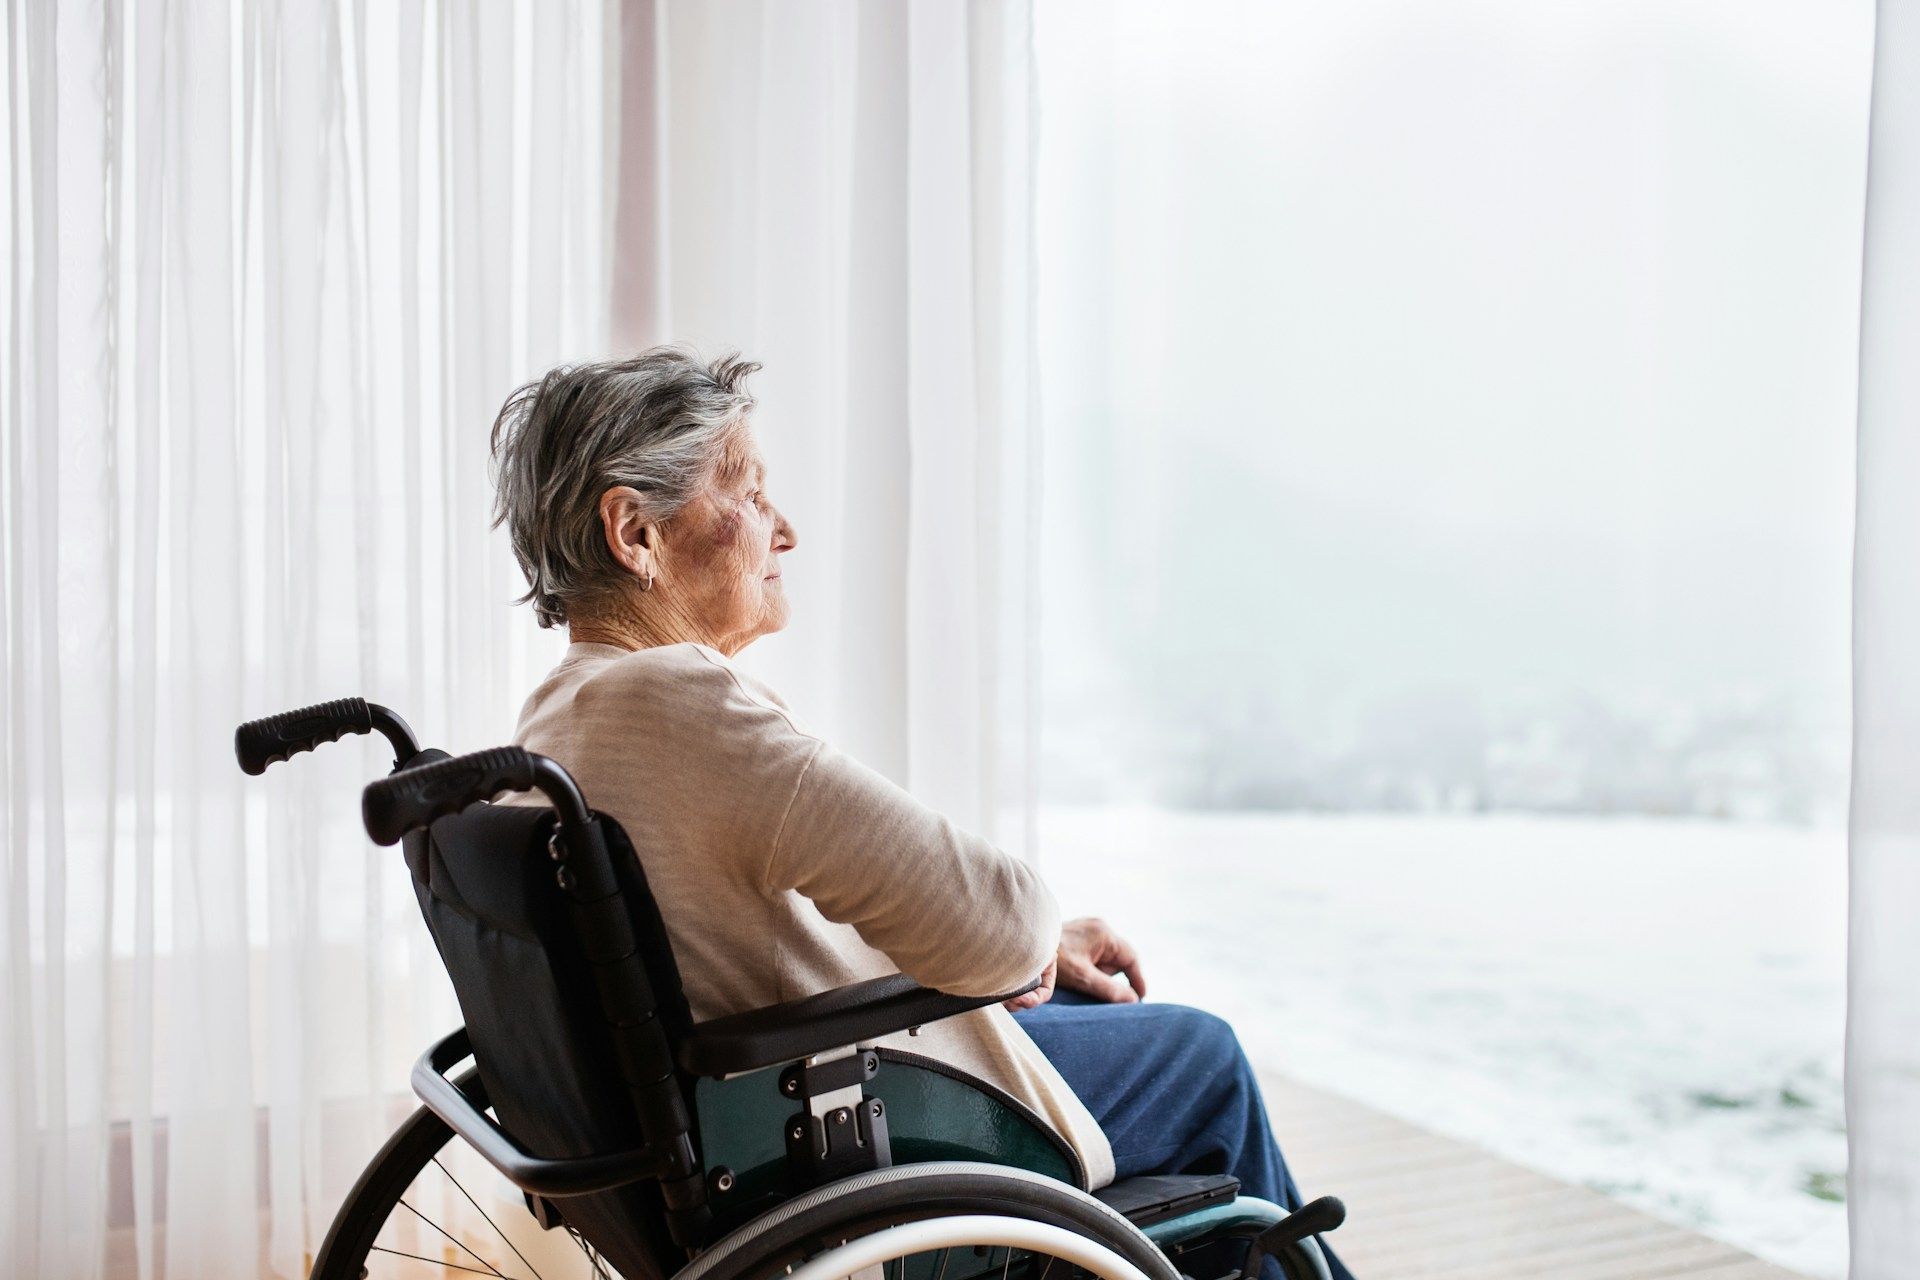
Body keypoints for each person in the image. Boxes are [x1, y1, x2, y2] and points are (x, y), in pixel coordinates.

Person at [492, 346, 1351, 1279]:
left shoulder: (555, 720)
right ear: (636, 535)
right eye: (746, 491)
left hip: (747, 1105)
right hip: (832, 1124)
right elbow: (996, 919)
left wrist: (1030, 951)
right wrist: (1024, 944)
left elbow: (788, 940)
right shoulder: (682, 703)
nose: (784, 531)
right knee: (1200, 1057)